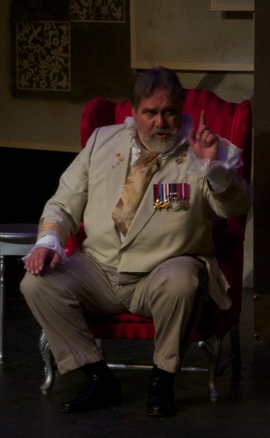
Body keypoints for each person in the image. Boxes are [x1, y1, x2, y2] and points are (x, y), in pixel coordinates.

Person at [20, 66, 252, 416]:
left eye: (169, 112)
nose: (160, 122)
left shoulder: (204, 150)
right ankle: (97, 377)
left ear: (181, 109)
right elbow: (64, 202)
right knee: (37, 283)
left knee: (184, 279)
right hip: (98, 268)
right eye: (150, 112)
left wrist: (214, 168)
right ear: (133, 111)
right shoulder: (101, 141)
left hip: (161, 269)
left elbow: (237, 206)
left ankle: (163, 380)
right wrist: (48, 242)